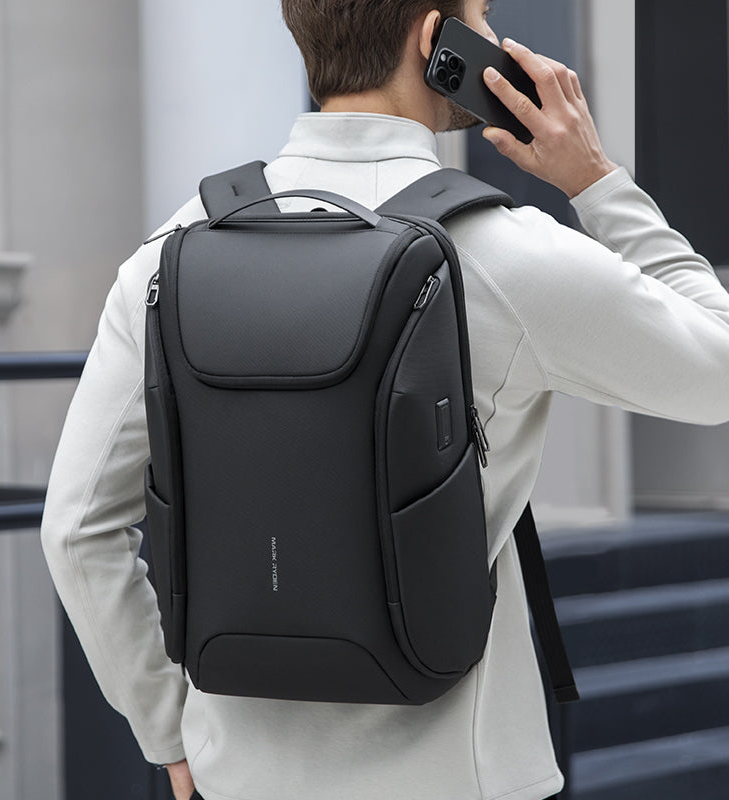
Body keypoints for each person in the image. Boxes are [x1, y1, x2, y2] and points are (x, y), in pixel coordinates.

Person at [40, 1, 729, 799]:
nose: (495, 36)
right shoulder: (509, 254)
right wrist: (597, 182)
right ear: (436, 40)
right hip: (457, 778)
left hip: (240, 775)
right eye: (481, 14)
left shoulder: (170, 253)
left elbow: (77, 527)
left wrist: (167, 731)